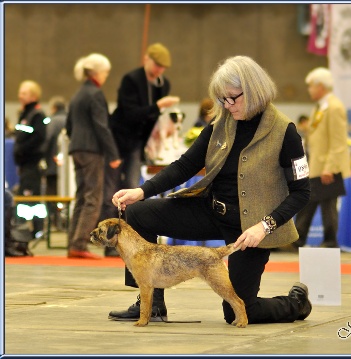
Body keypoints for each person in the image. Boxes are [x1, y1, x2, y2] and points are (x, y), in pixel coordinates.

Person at [108, 55, 312, 325]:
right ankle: (151, 303)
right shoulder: (220, 124)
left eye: (233, 98)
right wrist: (141, 191)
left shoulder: (285, 132)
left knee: (239, 312)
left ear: (254, 90)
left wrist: (264, 226)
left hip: (251, 229)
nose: (228, 105)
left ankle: (296, 303)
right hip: (211, 211)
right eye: (222, 100)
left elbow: (301, 191)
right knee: (138, 214)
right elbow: (184, 166)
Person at [66, 53, 121, 259]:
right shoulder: (95, 93)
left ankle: (73, 243)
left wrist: (76, 143)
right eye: (106, 72)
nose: (106, 76)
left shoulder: (78, 94)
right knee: (93, 198)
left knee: (81, 196)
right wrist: (113, 154)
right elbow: (101, 126)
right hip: (91, 151)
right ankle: (80, 244)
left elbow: (69, 125)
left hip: (76, 148)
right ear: (98, 72)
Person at [294, 67, 351, 249]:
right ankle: (298, 239)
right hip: (317, 165)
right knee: (309, 202)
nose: (309, 90)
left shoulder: (334, 108)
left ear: (321, 86)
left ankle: (330, 241)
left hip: (327, 166)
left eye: (311, 86)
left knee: (327, 205)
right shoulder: (320, 108)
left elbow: (338, 142)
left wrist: (330, 167)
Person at [109, 42, 180, 190]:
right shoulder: (131, 80)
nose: (160, 70)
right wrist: (158, 106)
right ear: (146, 59)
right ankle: (110, 213)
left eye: (163, 67)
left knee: (131, 184)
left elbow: (155, 118)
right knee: (111, 183)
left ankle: (128, 213)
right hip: (118, 138)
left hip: (138, 142)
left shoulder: (163, 84)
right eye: (157, 65)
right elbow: (131, 113)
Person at [13, 80, 47, 240]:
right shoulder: (23, 114)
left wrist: (22, 151)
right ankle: (22, 230)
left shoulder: (38, 115)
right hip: (24, 164)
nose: (20, 96)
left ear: (33, 96)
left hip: (33, 164)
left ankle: (37, 230)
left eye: (24, 93)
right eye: (20, 92)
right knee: (23, 199)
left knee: (32, 198)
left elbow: (39, 138)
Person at [43, 96, 68, 227]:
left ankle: (54, 222)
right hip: (70, 169)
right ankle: (66, 221)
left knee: (52, 194)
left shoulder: (51, 121)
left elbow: (47, 141)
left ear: (53, 108)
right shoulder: (71, 120)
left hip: (53, 167)